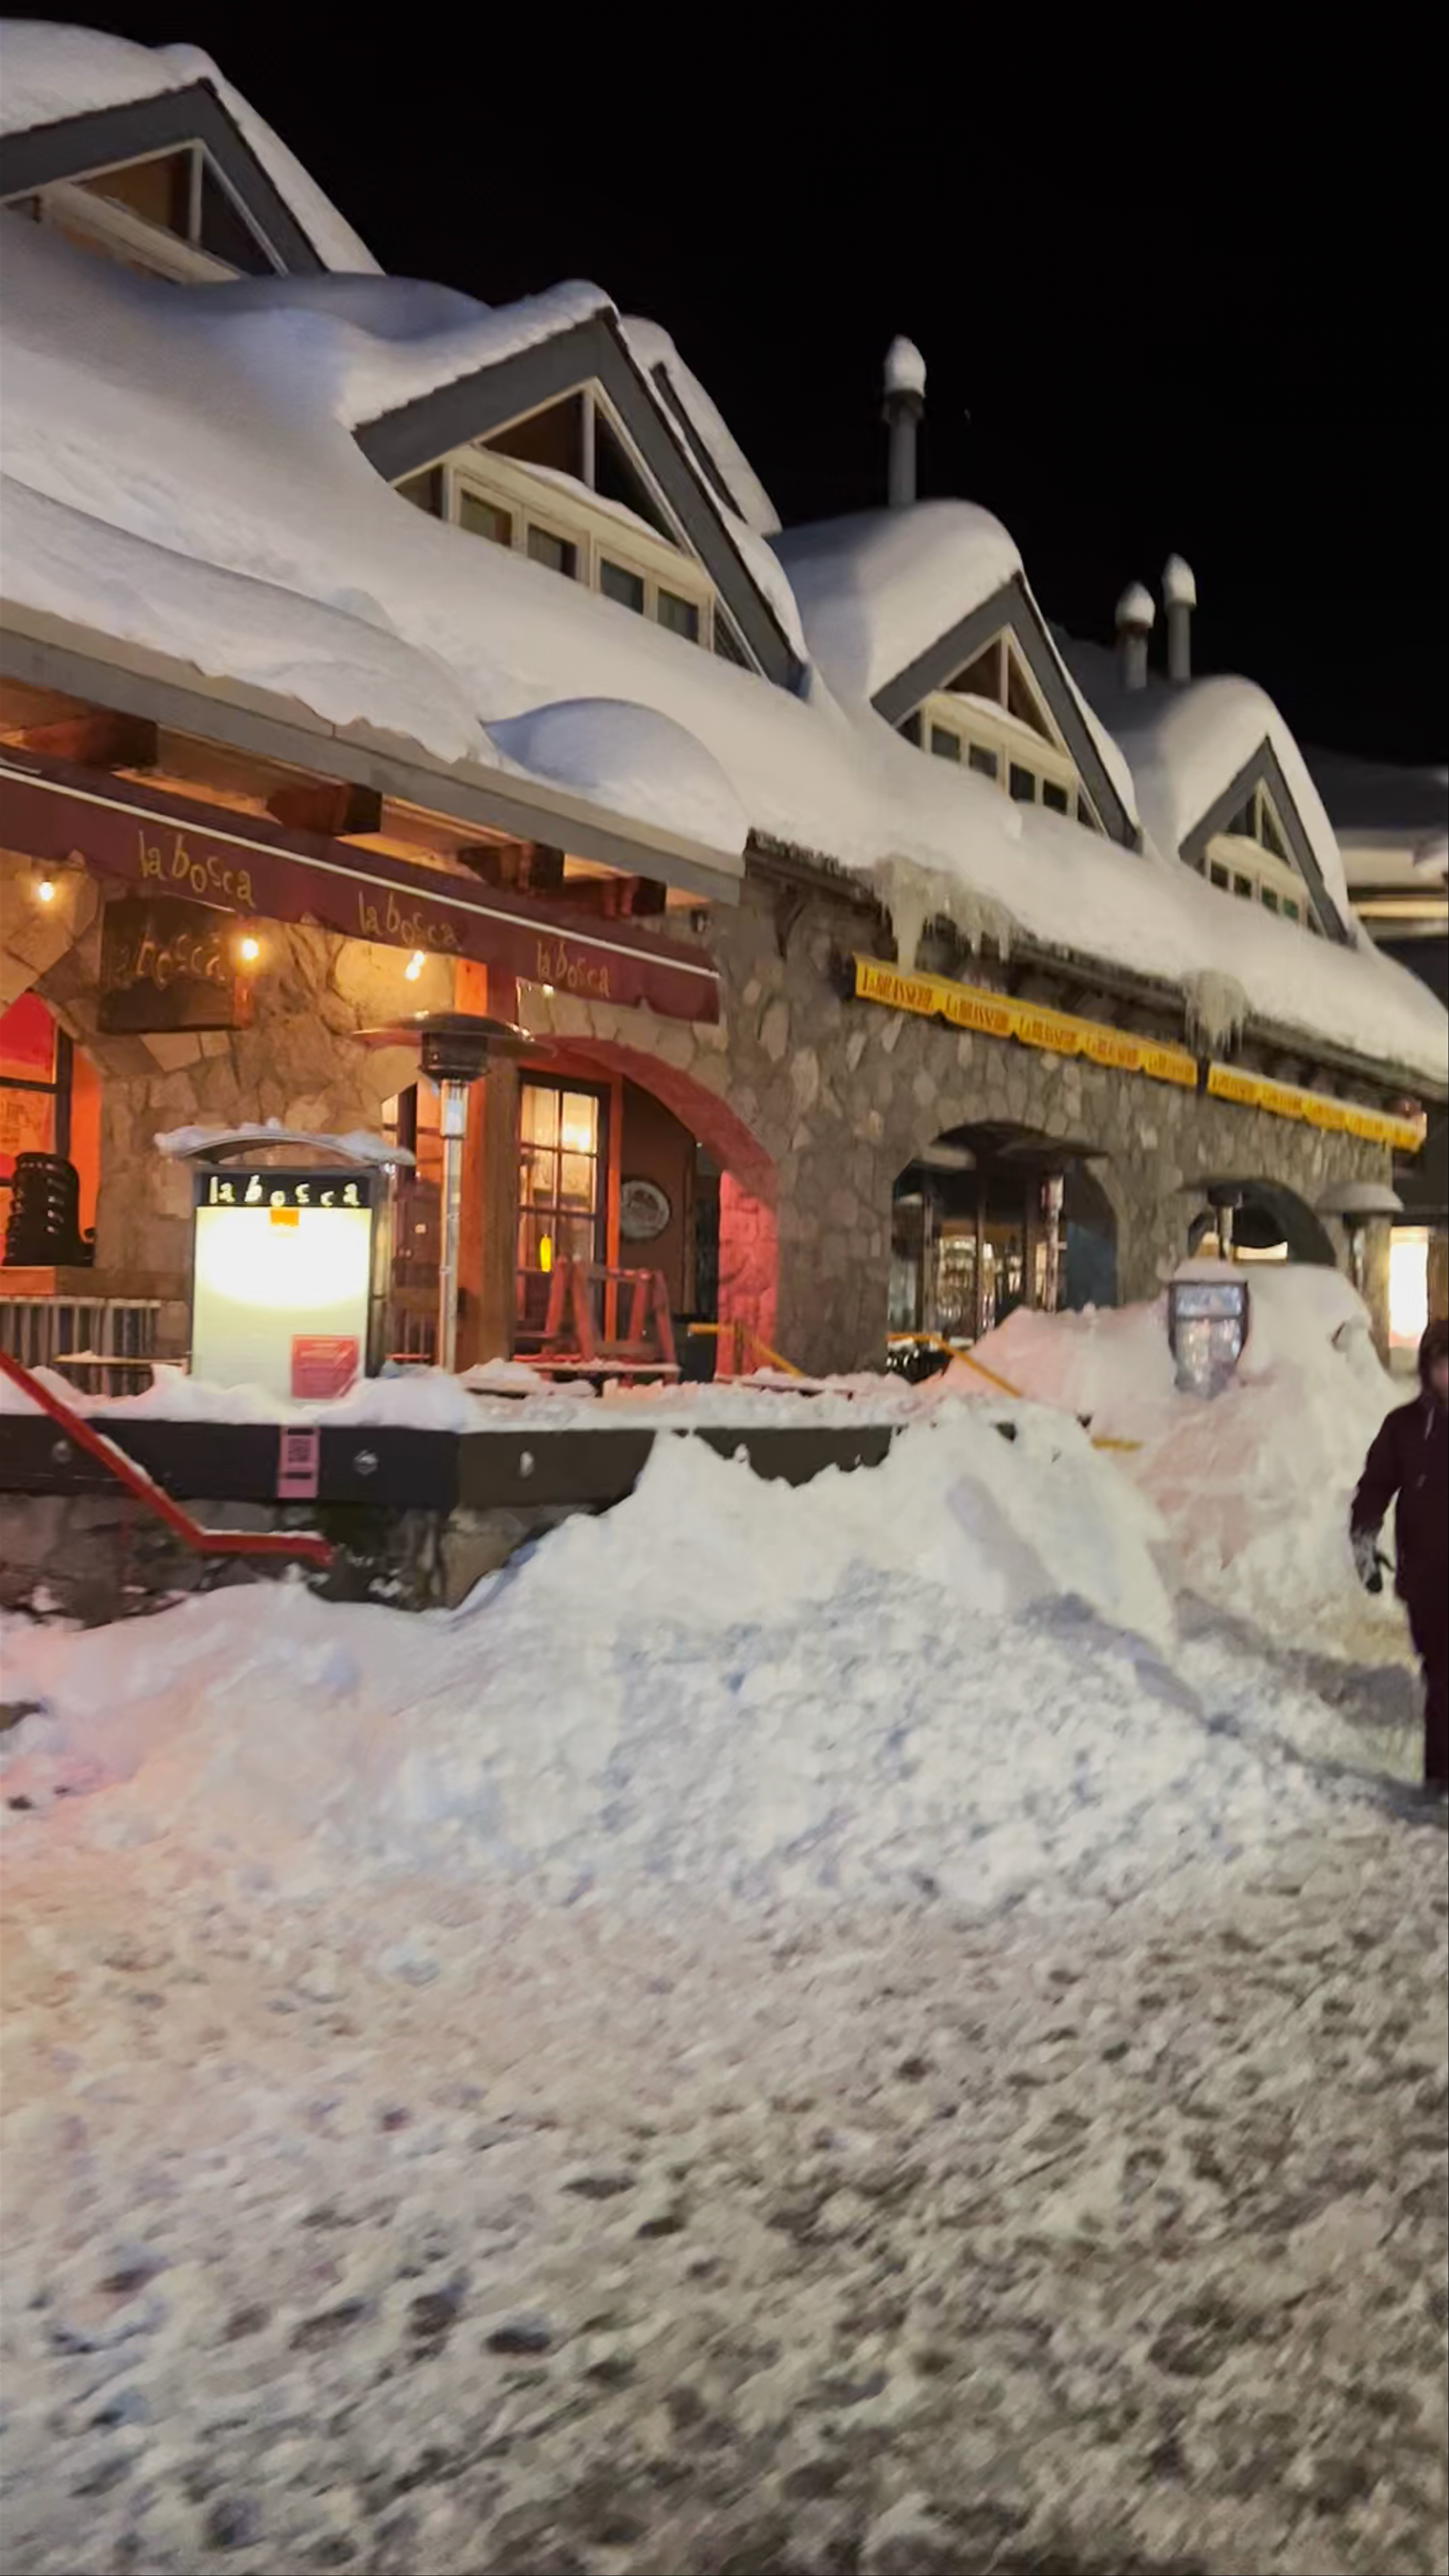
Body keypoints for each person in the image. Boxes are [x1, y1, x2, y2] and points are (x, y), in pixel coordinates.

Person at [1351, 1315, 1449, 1792]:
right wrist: (1364, 1543)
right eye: (1443, 1364)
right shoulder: (1405, 1427)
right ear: (1428, 1368)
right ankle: (1439, 1779)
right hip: (1427, 1577)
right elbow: (1374, 1487)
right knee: (1442, 1677)